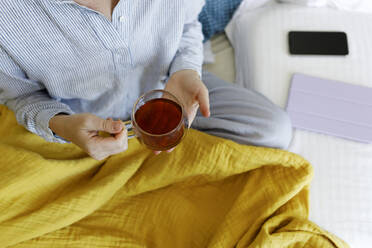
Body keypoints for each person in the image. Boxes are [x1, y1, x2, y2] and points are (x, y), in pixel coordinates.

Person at [0, 0, 292, 160]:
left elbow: (189, 23)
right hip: (84, 124)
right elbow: (21, 96)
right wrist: (62, 125)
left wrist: (186, 70)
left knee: (272, 130)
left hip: (171, 91)